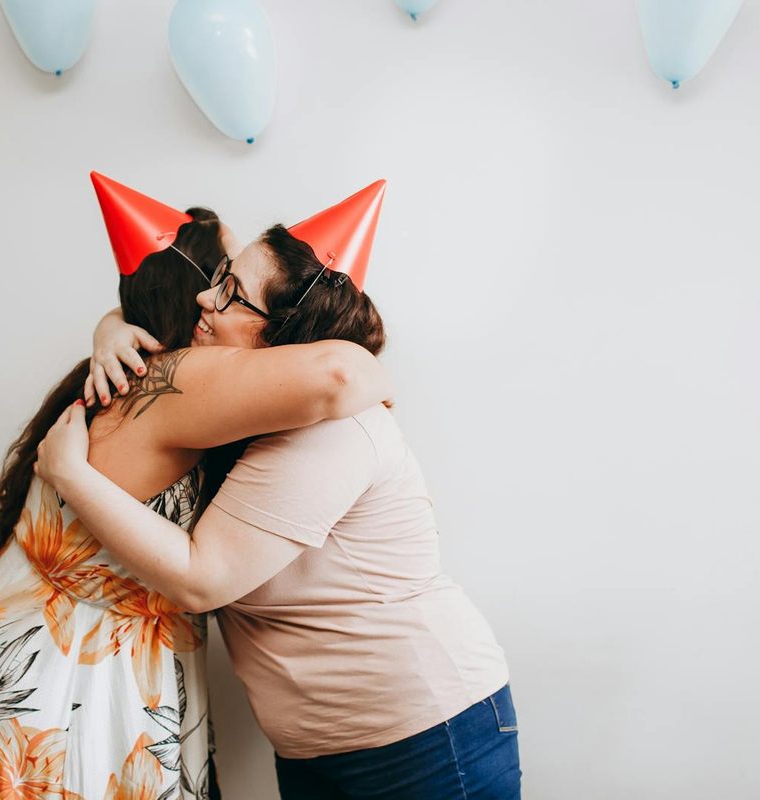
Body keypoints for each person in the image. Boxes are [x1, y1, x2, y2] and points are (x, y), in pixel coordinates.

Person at [34, 180, 522, 800]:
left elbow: (201, 577)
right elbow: (162, 316)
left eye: (232, 292)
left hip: (422, 735)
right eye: (219, 277)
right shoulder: (246, 405)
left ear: (284, 336)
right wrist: (111, 328)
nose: (207, 297)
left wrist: (71, 475)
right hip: (316, 745)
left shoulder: (330, 428)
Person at [0, 173, 393, 800]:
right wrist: (370, 366)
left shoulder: (126, 369)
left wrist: (109, 322)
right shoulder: (186, 379)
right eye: (221, 278)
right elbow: (338, 372)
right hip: (61, 678)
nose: (213, 300)